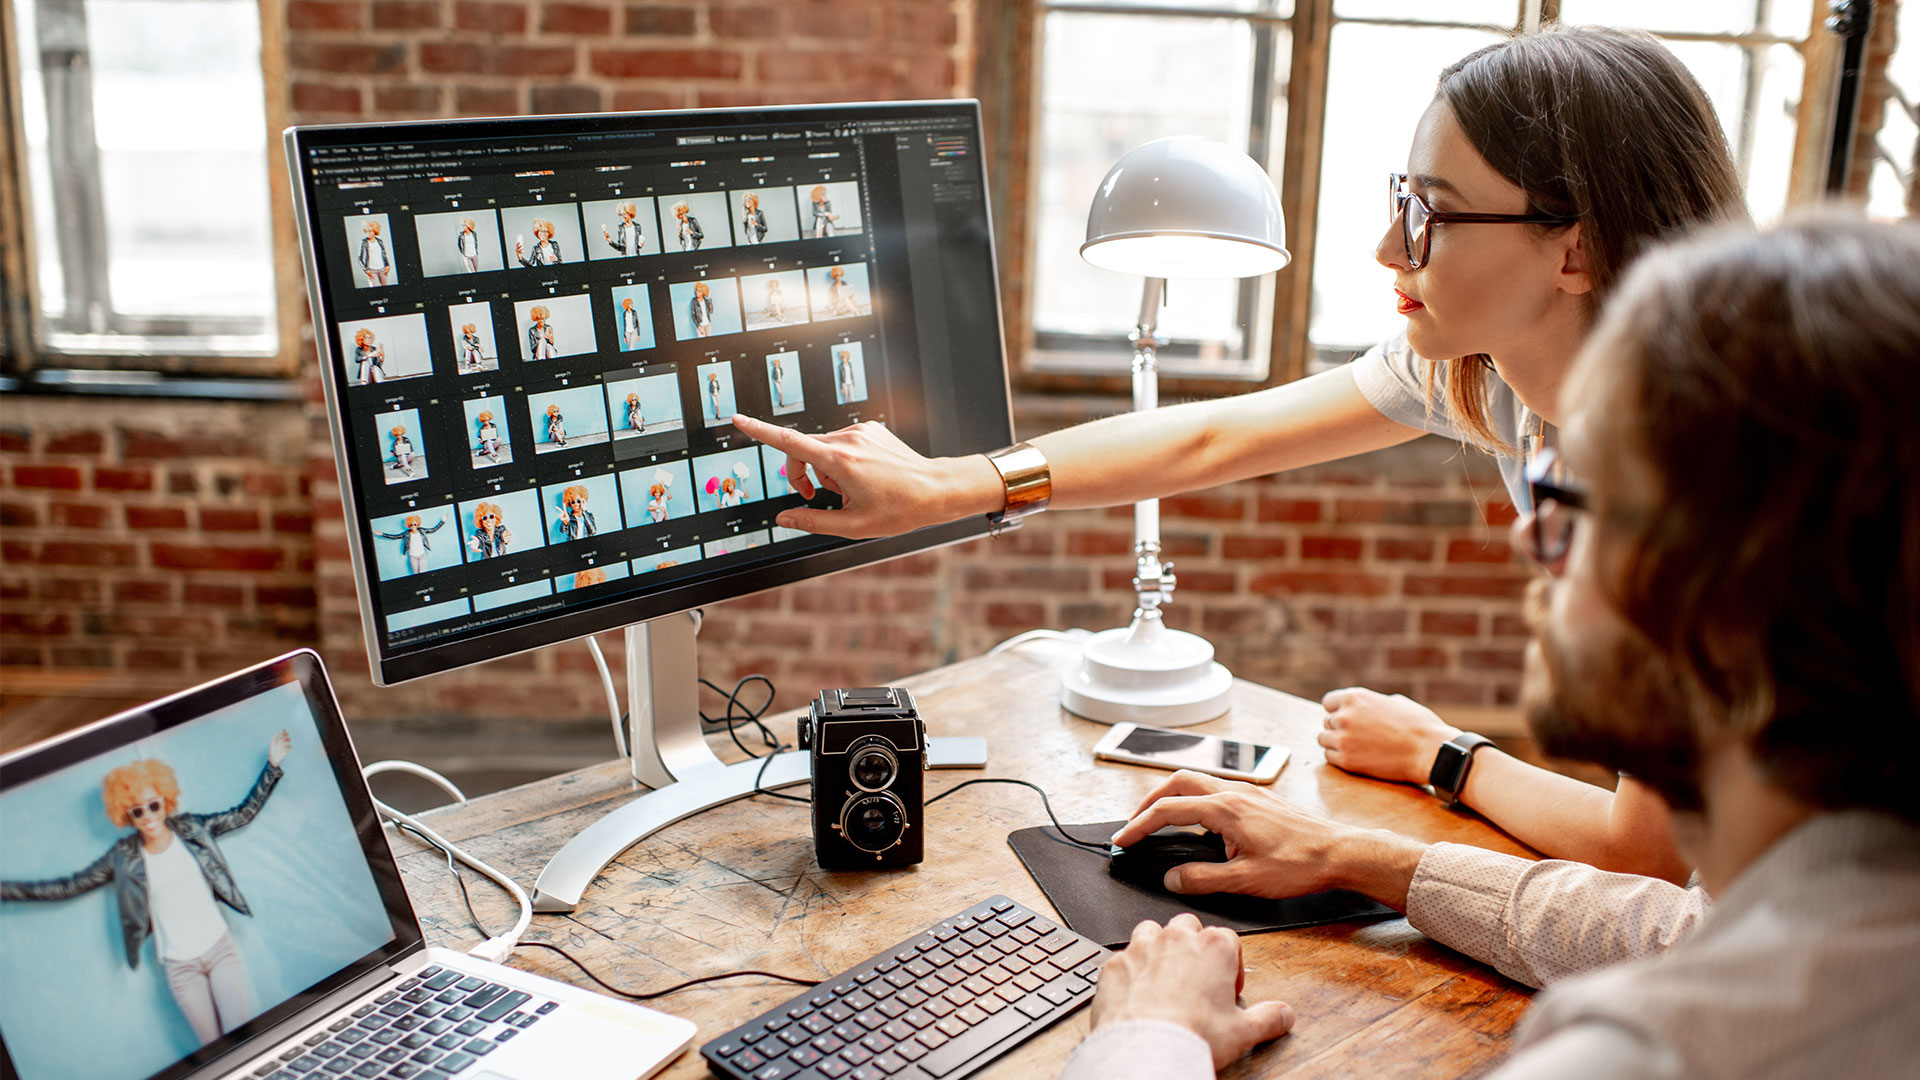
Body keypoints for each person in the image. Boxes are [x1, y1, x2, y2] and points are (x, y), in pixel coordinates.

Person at [734, 25, 1745, 882]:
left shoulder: (1692, 474)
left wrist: (1443, 757)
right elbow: (1221, 434)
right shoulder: (1490, 373)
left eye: (1431, 216)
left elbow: (1644, 853)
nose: (1390, 251)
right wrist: (951, 485)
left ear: (1576, 249)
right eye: (1403, 201)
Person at [1066, 213, 1920, 1080]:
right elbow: (1678, 929)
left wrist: (1145, 1039)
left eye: (1579, 496)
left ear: (1724, 590)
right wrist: (1357, 856)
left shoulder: (1646, 1054)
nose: (1527, 537)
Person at [3, 732, 292, 1044]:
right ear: (126, 814)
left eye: (153, 805)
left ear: (164, 801)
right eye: (137, 810)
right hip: (181, 969)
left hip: (220, 950)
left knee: (244, 1040)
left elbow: (242, 814)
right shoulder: (123, 857)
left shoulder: (193, 828)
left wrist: (272, 766)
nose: (148, 816)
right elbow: (69, 886)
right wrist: (7, 889)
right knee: (215, 1049)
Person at [375, 513, 444, 574]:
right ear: (408, 525)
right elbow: (395, 536)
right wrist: (382, 534)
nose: (413, 526)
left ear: (417, 524)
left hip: (422, 555)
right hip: (412, 556)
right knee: (416, 574)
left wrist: (442, 521)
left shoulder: (422, 530)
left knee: (423, 573)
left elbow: (433, 529)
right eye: (411, 525)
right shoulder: (406, 533)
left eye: (415, 524)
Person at [357, 219, 391, 287]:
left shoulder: (380, 241)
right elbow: (359, 258)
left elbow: (384, 254)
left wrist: (387, 265)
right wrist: (366, 270)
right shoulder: (364, 242)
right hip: (371, 270)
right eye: (366, 231)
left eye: (370, 231)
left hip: (382, 269)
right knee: (374, 290)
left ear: (375, 231)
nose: (368, 233)